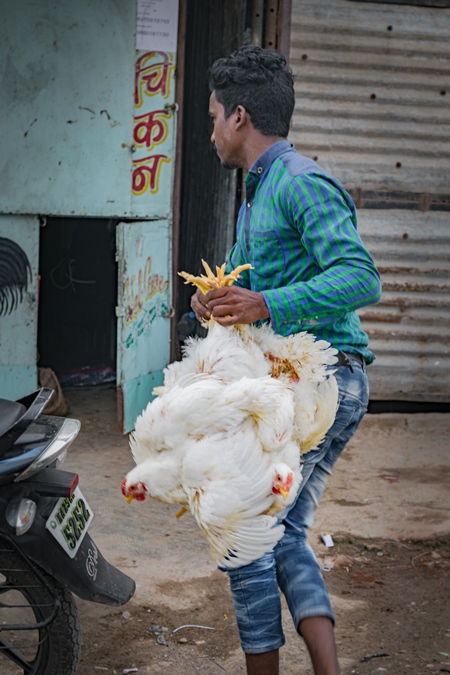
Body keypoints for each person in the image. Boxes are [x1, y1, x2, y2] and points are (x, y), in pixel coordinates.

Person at [191, 45, 382, 675]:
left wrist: (266, 302)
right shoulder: (258, 192)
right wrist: (219, 304)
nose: (211, 128)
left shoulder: (301, 182)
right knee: (278, 532)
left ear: (240, 116)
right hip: (293, 382)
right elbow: (251, 295)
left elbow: (360, 278)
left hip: (328, 381)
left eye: (215, 115)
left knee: (247, 530)